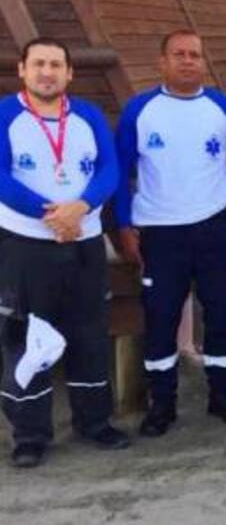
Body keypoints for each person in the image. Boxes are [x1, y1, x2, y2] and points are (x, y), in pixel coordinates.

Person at [112, 30, 226, 437]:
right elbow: (121, 172)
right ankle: (162, 406)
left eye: (195, 55)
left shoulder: (225, 109)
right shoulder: (140, 110)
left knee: (223, 314)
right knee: (160, 318)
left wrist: (216, 190)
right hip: (161, 233)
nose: (188, 61)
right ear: (162, 62)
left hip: (215, 229)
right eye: (179, 54)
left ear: (204, 63)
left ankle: (223, 397)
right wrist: (124, 224)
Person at [0, 37, 128, 468]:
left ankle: (94, 422)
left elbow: (109, 169)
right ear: (22, 70)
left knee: (89, 332)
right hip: (25, 244)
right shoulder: (5, 114)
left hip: (84, 241)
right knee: (27, 338)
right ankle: (29, 435)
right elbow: (1, 177)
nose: (47, 72)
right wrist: (53, 214)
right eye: (39, 64)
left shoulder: (88, 115)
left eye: (56, 65)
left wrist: (81, 207)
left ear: (69, 73)